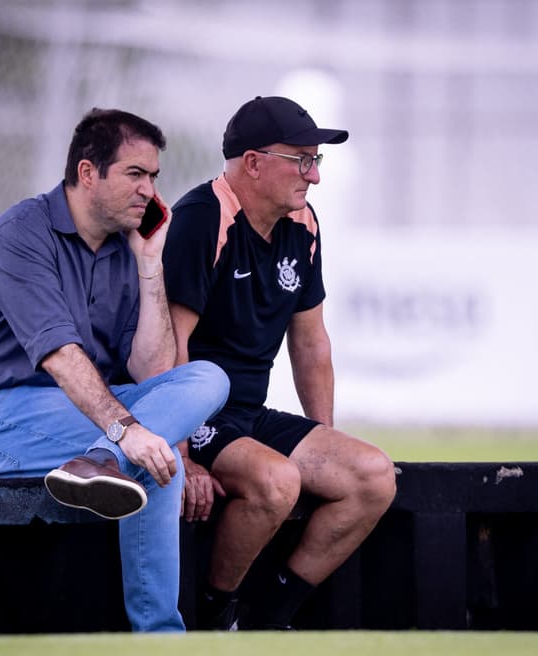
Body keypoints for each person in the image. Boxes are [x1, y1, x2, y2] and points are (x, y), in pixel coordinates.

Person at [0, 107, 230, 633]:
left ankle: (100, 461)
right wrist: (126, 431)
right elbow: (60, 356)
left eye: (154, 177)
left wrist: (150, 262)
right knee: (155, 454)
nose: (149, 191)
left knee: (210, 377)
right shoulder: (21, 231)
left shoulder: (127, 248)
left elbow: (152, 370)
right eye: (135, 174)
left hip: (85, 424)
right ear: (88, 172)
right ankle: (160, 639)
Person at [163, 96, 397, 630]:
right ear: (253, 162)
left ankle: (268, 619)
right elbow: (169, 346)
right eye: (302, 160)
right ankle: (214, 617)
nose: (314, 176)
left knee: (372, 476)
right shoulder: (201, 219)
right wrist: (181, 457)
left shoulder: (303, 224)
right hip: (196, 416)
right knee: (277, 481)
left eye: (316, 161)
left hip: (249, 415)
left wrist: (323, 438)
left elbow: (311, 345)